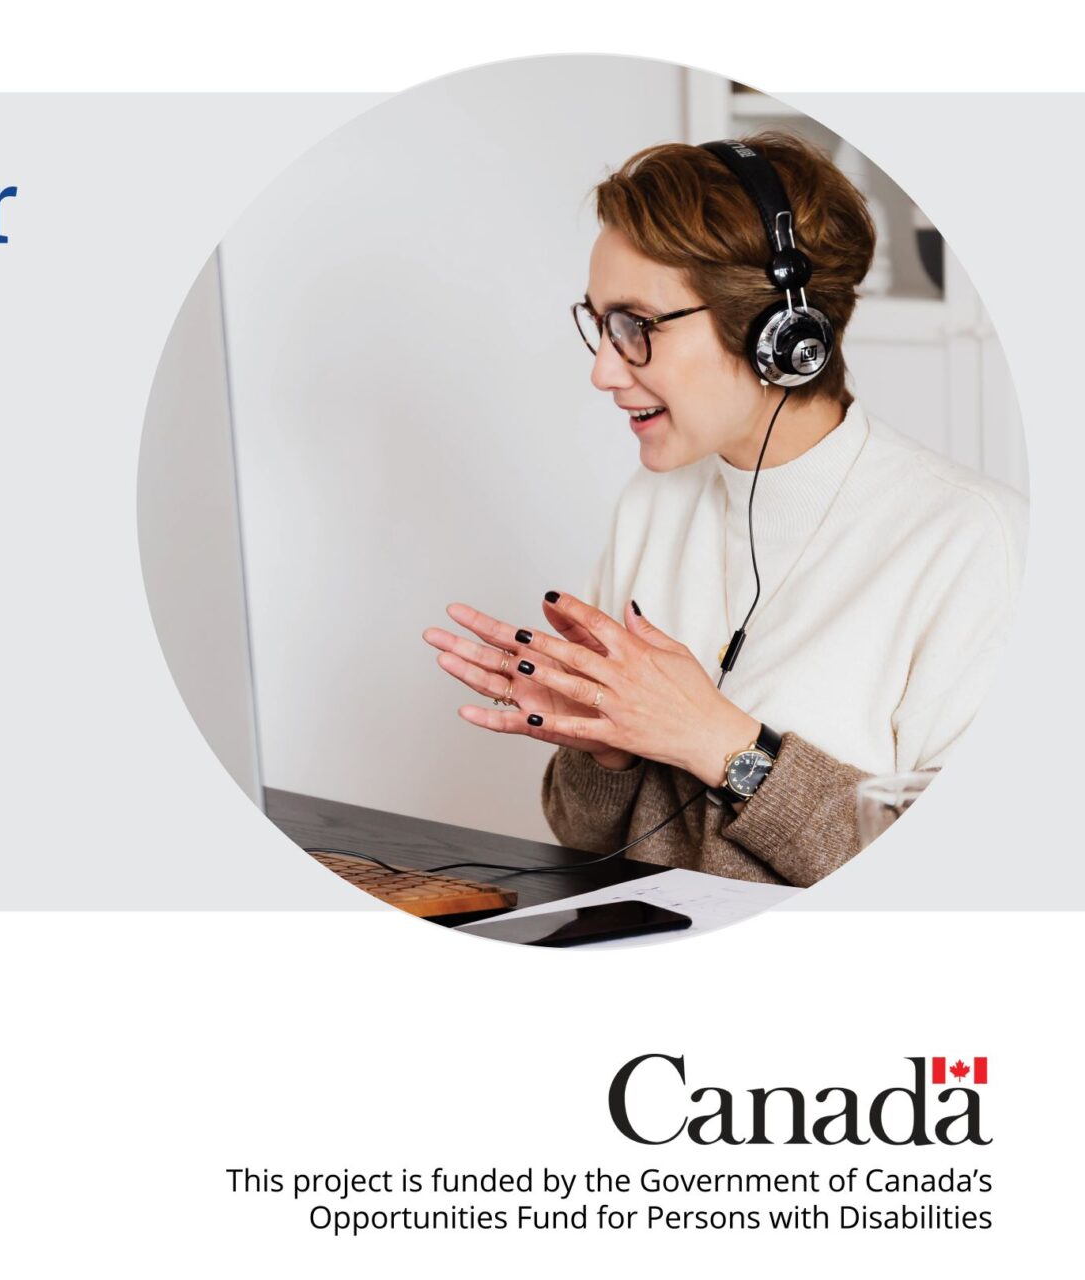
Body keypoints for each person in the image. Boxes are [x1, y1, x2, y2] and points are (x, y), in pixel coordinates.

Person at [419, 132, 1025, 887]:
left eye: (636, 326)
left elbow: (973, 880)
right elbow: (585, 841)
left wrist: (719, 741)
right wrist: (601, 748)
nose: (604, 370)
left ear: (780, 335)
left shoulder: (972, 541)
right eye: (599, 322)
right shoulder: (651, 507)